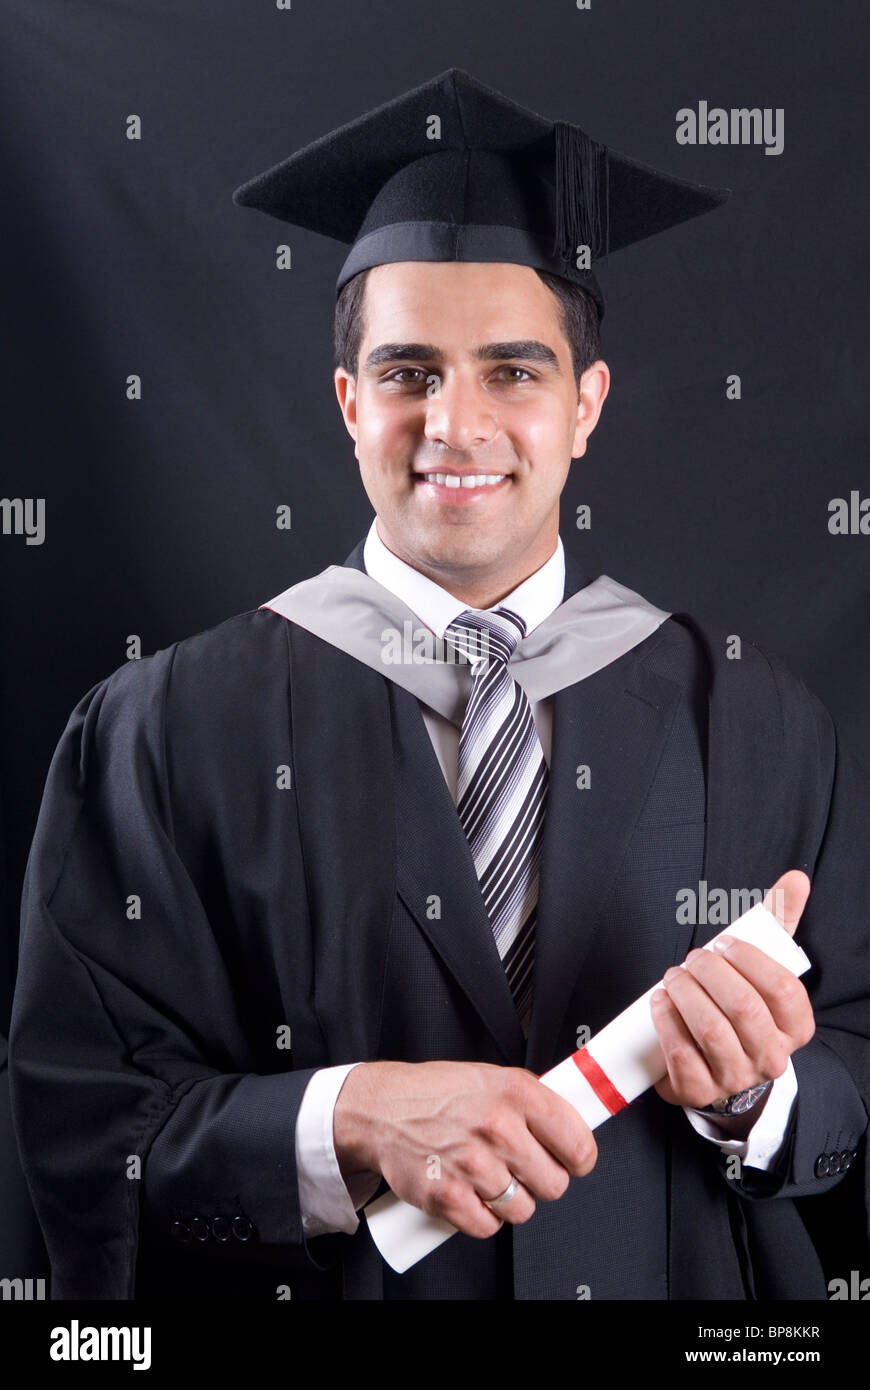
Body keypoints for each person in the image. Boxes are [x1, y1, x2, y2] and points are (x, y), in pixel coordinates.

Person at [8, 68, 870, 1301]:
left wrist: (761, 1097)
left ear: (586, 407)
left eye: (513, 372)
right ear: (351, 403)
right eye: (410, 373)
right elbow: (82, 1130)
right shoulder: (159, 733)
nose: (454, 424)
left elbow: (855, 1066)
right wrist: (343, 1117)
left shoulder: (755, 722)